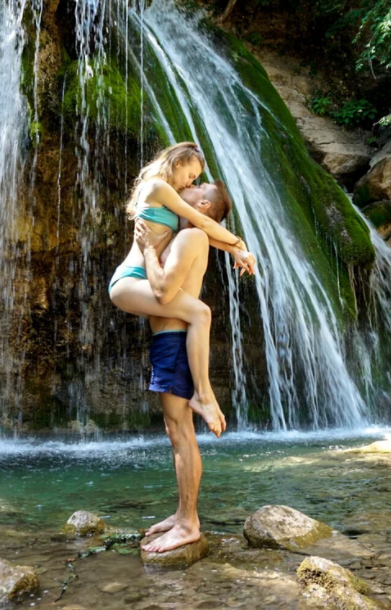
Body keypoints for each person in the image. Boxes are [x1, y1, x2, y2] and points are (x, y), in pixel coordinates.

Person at [108, 142, 256, 438]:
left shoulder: (170, 198)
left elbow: (197, 230)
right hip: (129, 281)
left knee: (199, 314)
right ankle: (203, 394)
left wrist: (233, 251)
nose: (191, 182)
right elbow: (200, 221)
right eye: (191, 175)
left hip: (143, 280)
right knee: (201, 312)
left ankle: (203, 394)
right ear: (178, 162)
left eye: (195, 180)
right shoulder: (156, 187)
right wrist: (239, 243)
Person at [134, 182, 246, 554]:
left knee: (180, 431)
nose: (187, 185)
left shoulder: (189, 237)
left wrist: (149, 251)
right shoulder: (194, 235)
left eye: (197, 186)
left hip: (175, 342)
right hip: (171, 341)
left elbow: (164, 293)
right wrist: (238, 247)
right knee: (177, 431)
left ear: (201, 204)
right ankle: (182, 513)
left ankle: (188, 523)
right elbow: (219, 236)